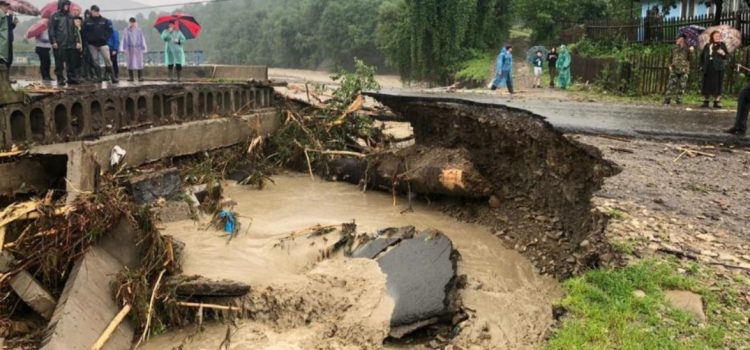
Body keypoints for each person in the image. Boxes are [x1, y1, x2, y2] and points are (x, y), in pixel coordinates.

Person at [49, 0, 81, 85]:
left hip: (71, 43)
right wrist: (53, 41)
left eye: (68, 5)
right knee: (59, 62)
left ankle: (71, 77)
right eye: (65, 5)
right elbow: (51, 30)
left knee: (71, 62)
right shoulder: (55, 16)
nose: (67, 6)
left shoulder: (70, 16)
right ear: (61, 5)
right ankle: (60, 78)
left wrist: (77, 41)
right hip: (60, 43)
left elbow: (75, 30)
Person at [83, 5, 117, 83]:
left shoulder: (105, 20)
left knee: (108, 59)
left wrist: (105, 38)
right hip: (92, 44)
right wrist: (88, 39)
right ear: (91, 11)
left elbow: (110, 31)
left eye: (98, 11)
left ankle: (113, 77)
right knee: (95, 60)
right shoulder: (87, 21)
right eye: (95, 11)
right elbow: (84, 32)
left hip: (103, 43)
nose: (97, 13)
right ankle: (99, 77)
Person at [700, 31, 728, 108]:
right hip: (708, 66)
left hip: (718, 67)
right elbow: (702, 56)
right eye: (716, 36)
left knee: (717, 83)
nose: (717, 37)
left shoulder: (722, 45)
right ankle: (706, 101)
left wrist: (723, 53)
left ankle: (717, 101)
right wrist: (702, 66)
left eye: (719, 36)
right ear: (712, 37)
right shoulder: (707, 45)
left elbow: (727, 56)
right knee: (706, 83)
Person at [663, 35, 691, 105]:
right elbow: (669, 57)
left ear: (682, 39)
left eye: (677, 39)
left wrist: (691, 52)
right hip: (674, 69)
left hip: (684, 70)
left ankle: (679, 100)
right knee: (670, 85)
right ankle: (667, 100)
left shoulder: (688, 48)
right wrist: (669, 65)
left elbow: (691, 60)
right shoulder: (674, 48)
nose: (676, 40)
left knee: (682, 86)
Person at [121, 17, 147, 82]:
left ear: (135, 23)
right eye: (131, 22)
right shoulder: (126, 30)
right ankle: (131, 77)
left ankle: (140, 77)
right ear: (129, 23)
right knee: (130, 62)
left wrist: (143, 47)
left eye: (133, 22)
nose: (132, 24)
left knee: (139, 62)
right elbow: (124, 39)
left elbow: (142, 38)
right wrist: (124, 48)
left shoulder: (139, 30)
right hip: (129, 48)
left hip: (138, 48)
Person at [1, 1, 17, 72]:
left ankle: (7, 77)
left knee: (9, 59)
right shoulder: (3, 16)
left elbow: (10, 27)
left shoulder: (9, 16)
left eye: (8, 5)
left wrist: (14, 19)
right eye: (5, 5)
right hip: (3, 41)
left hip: (9, 39)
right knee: (4, 59)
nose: (7, 7)